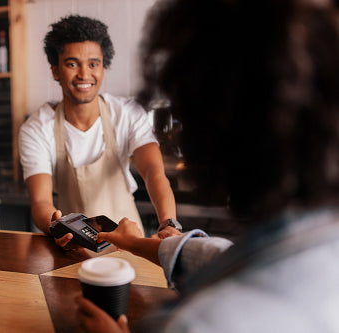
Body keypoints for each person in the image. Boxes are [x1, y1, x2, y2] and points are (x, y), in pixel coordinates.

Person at [75, 0, 339, 332]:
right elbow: (228, 257)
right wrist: (137, 242)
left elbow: (155, 171)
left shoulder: (196, 324)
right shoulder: (321, 241)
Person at [19, 15, 178, 249]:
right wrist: (55, 227)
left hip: (132, 247)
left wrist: (169, 223)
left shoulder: (127, 113)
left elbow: (154, 171)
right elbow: (41, 201)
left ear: (103, 68)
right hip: (75, 250)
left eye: (93, 64)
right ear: (55, 70)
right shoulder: (37, 128)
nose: (84, 74)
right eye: (72, 64)